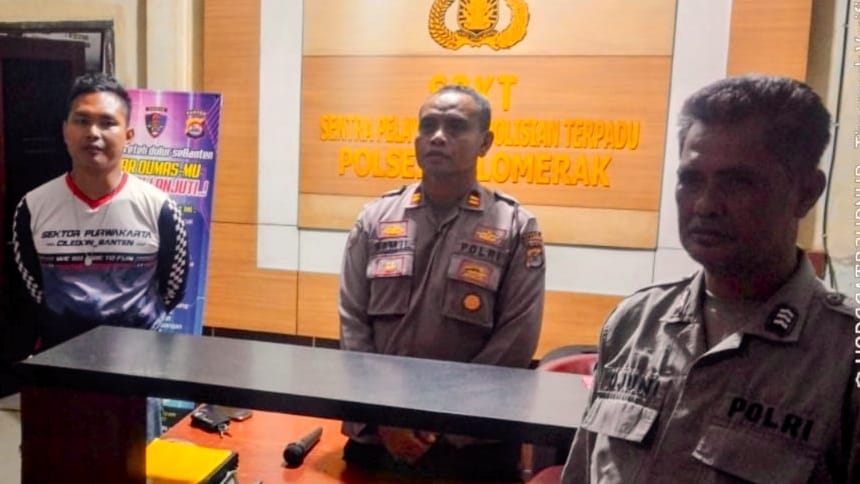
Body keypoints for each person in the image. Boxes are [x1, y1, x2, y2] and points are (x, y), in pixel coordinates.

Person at [561, 74, 859, 483]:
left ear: (806, 193)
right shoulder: (635, 323)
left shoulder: (844, 356)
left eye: (738, 183)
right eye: (691, 179)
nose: (705, 205)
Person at [338, 84, 546, 481]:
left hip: (471, 446)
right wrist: (385, 417)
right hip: (380, 438)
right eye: (428, 125)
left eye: (455, 126)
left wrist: (441, 425)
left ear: (485, 143)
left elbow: (514, 342)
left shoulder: (516, 227)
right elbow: (353, 326)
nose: (437, 136)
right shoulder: (375, 218)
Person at [11, 72, 188, 438]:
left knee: (137, 465)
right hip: (59, 373)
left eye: (107, 122)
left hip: (136, 376)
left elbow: (172, 290)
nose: (93, 132)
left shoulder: (159, 208)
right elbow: (31, 290)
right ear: (65, 131)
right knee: (58, 464)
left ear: (129, 135)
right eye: (82, 120)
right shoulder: (33, 207)